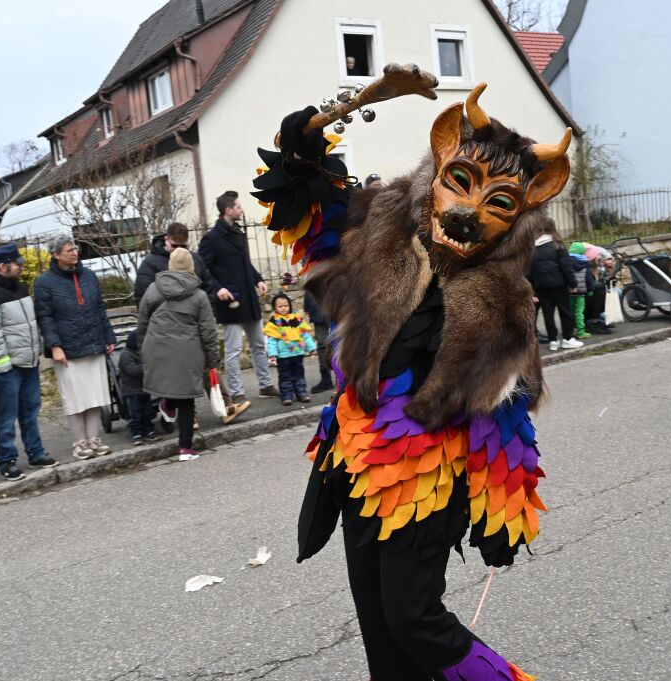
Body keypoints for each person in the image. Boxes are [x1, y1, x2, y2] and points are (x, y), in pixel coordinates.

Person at [253, 80, 570, 680]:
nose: (466, 214)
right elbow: (309, 197)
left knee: (412, 617)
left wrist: (505, 504)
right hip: (355, 457)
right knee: (376, 620)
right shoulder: (380, 232)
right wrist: (313, 129)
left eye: (499, 204)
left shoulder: (505, 298)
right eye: (459, 184)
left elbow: (504, 414)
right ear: (440, 162)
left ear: (521, 216)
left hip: (428, 474)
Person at [0, 244, 58, 481]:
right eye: (17, 263)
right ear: (3, 266)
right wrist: (3, 363)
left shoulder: (19, 288)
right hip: (6, 368)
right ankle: (6, 461)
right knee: (6, 416)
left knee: (30, 410)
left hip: (27, 362)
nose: (21, 266)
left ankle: (36, 453)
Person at [34, 235, 117, 460]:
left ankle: (94, 439)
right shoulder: (45, 282)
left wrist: (108, 336)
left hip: (94, 343)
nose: (74, 252)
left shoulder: (89, 276)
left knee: (95, 396)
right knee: (75, 398)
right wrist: (55, 346)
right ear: (56, 254)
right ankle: (80, 442)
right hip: (68, 349)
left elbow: (100, 308)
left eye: (75, 249)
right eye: (69, 250)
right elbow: (45, 318)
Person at [197, 190, 278, 404]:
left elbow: (245, 264)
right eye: (239, 207)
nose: (242, 210)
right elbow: (202, 269)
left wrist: (258, 279)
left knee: (259, 344)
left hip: (249, 299)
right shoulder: (211, 239)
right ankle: (236, 391)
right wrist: (217, 288)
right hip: (229, 301)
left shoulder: (239, 234)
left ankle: (265, 384)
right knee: (233, 350)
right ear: (228, 210)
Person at [138, 248, 219, 462]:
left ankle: (167, 404)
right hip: (188, 351)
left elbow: (142, 321)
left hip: (155, 346)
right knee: (187, 400)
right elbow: (208, 331)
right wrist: (213, 359)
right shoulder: (199, 296)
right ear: (192, 266)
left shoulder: (153, 290)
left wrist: (142, 348)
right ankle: (185, 448)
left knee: (170, 386)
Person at [527, 218, 580, 350]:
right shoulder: (558, 245)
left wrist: (533, 286)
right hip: (559, 284)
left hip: (541, 286)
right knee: (565, 311)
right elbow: (566, 266)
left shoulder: (533, 248)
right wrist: (572, 283)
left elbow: (530, 271)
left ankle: (553, 341)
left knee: (548, 313)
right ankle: (568, 338)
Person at [263, 292, 316, 406]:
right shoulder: (274, 322)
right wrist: (272, 354)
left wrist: (311, 348)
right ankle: (286, 395)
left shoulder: (297, 319)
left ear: (290, 306)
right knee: (284, 376)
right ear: (275, 308)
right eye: (280, 306)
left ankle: (301, 393)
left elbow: (305, 335)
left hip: (297, 353)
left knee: (299, 374)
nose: (283, 308)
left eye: (285, 305)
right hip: (283, 356)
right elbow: (272, 340)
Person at [117, 330, 162, 446]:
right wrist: (147, 366)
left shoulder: (143, 352)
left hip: (144, 388)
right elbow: (132, 370)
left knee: (148, 411)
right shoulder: (125, 355)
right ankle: (136, 433)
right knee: (135, 413)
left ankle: (149, 430)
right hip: (131, 390)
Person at [303, 292, 334, 393]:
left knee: (341, 340)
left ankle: (344, 378)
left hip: (335, 297)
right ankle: (326, 379)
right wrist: (308, 305)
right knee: (323, 344)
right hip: (319, 301)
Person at [568, 242, 593, 339]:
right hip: (581, 292)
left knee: (570, 312)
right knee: (579, 312)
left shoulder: (567, 261)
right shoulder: (585, 263)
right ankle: (581, 332)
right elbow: (589, 279)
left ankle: (571, 330)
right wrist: (590, 290)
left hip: (569, 291)